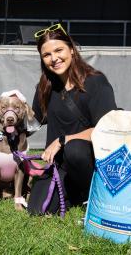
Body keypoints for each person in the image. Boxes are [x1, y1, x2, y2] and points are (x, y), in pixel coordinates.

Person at [27, 23, 117, 215]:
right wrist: (11, 114)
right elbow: (32, 123)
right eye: (47, 55)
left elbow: (107, 129)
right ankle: (75, 195)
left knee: (75, 149)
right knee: (37, 210)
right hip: (60, 164)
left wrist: (63, 140)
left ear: (72, 50)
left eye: (59, 50)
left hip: (91, 161)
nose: (54, 58)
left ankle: (95, 194)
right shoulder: (45, 87)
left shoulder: (95, 82)